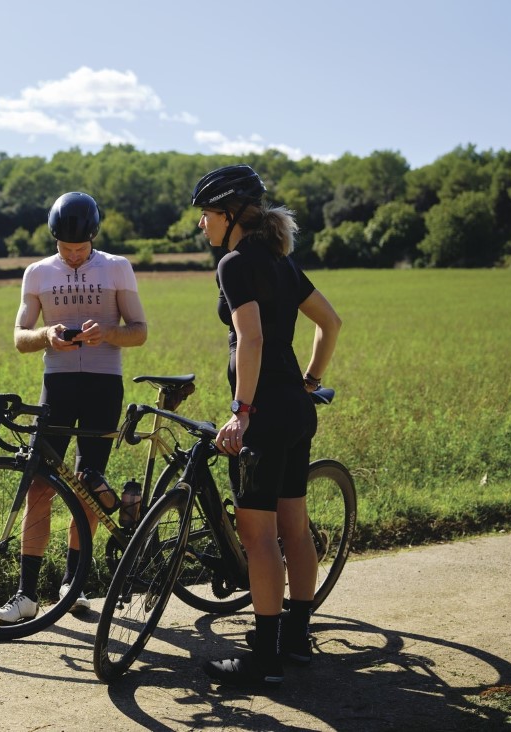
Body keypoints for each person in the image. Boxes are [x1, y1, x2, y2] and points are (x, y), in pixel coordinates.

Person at [192, 165, 342, 687]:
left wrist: (242, 411)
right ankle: (295, 640)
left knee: (258, 537)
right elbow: (331, 322)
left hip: (264, 416)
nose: (202, 225)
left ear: (231, 215)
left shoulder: (234, 264)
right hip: (297, 412)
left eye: (207, 215)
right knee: (294, 528)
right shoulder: (281, 261)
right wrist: (311, 379)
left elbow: (249, 340)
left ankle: (264, 659)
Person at [0, 191, 149, 623]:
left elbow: (139, 331)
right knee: (40, 486)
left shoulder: (116, 267)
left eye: (80, 249)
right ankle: (25, 596)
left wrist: (108, 334)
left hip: (103, 384)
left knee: (85, 484)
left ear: (93, 238)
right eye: (65, 248)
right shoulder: (38, 273)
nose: (73, 256)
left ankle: (72, 585)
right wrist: (47, 336)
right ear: (54, 239)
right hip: (56, 385)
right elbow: (20, 337)